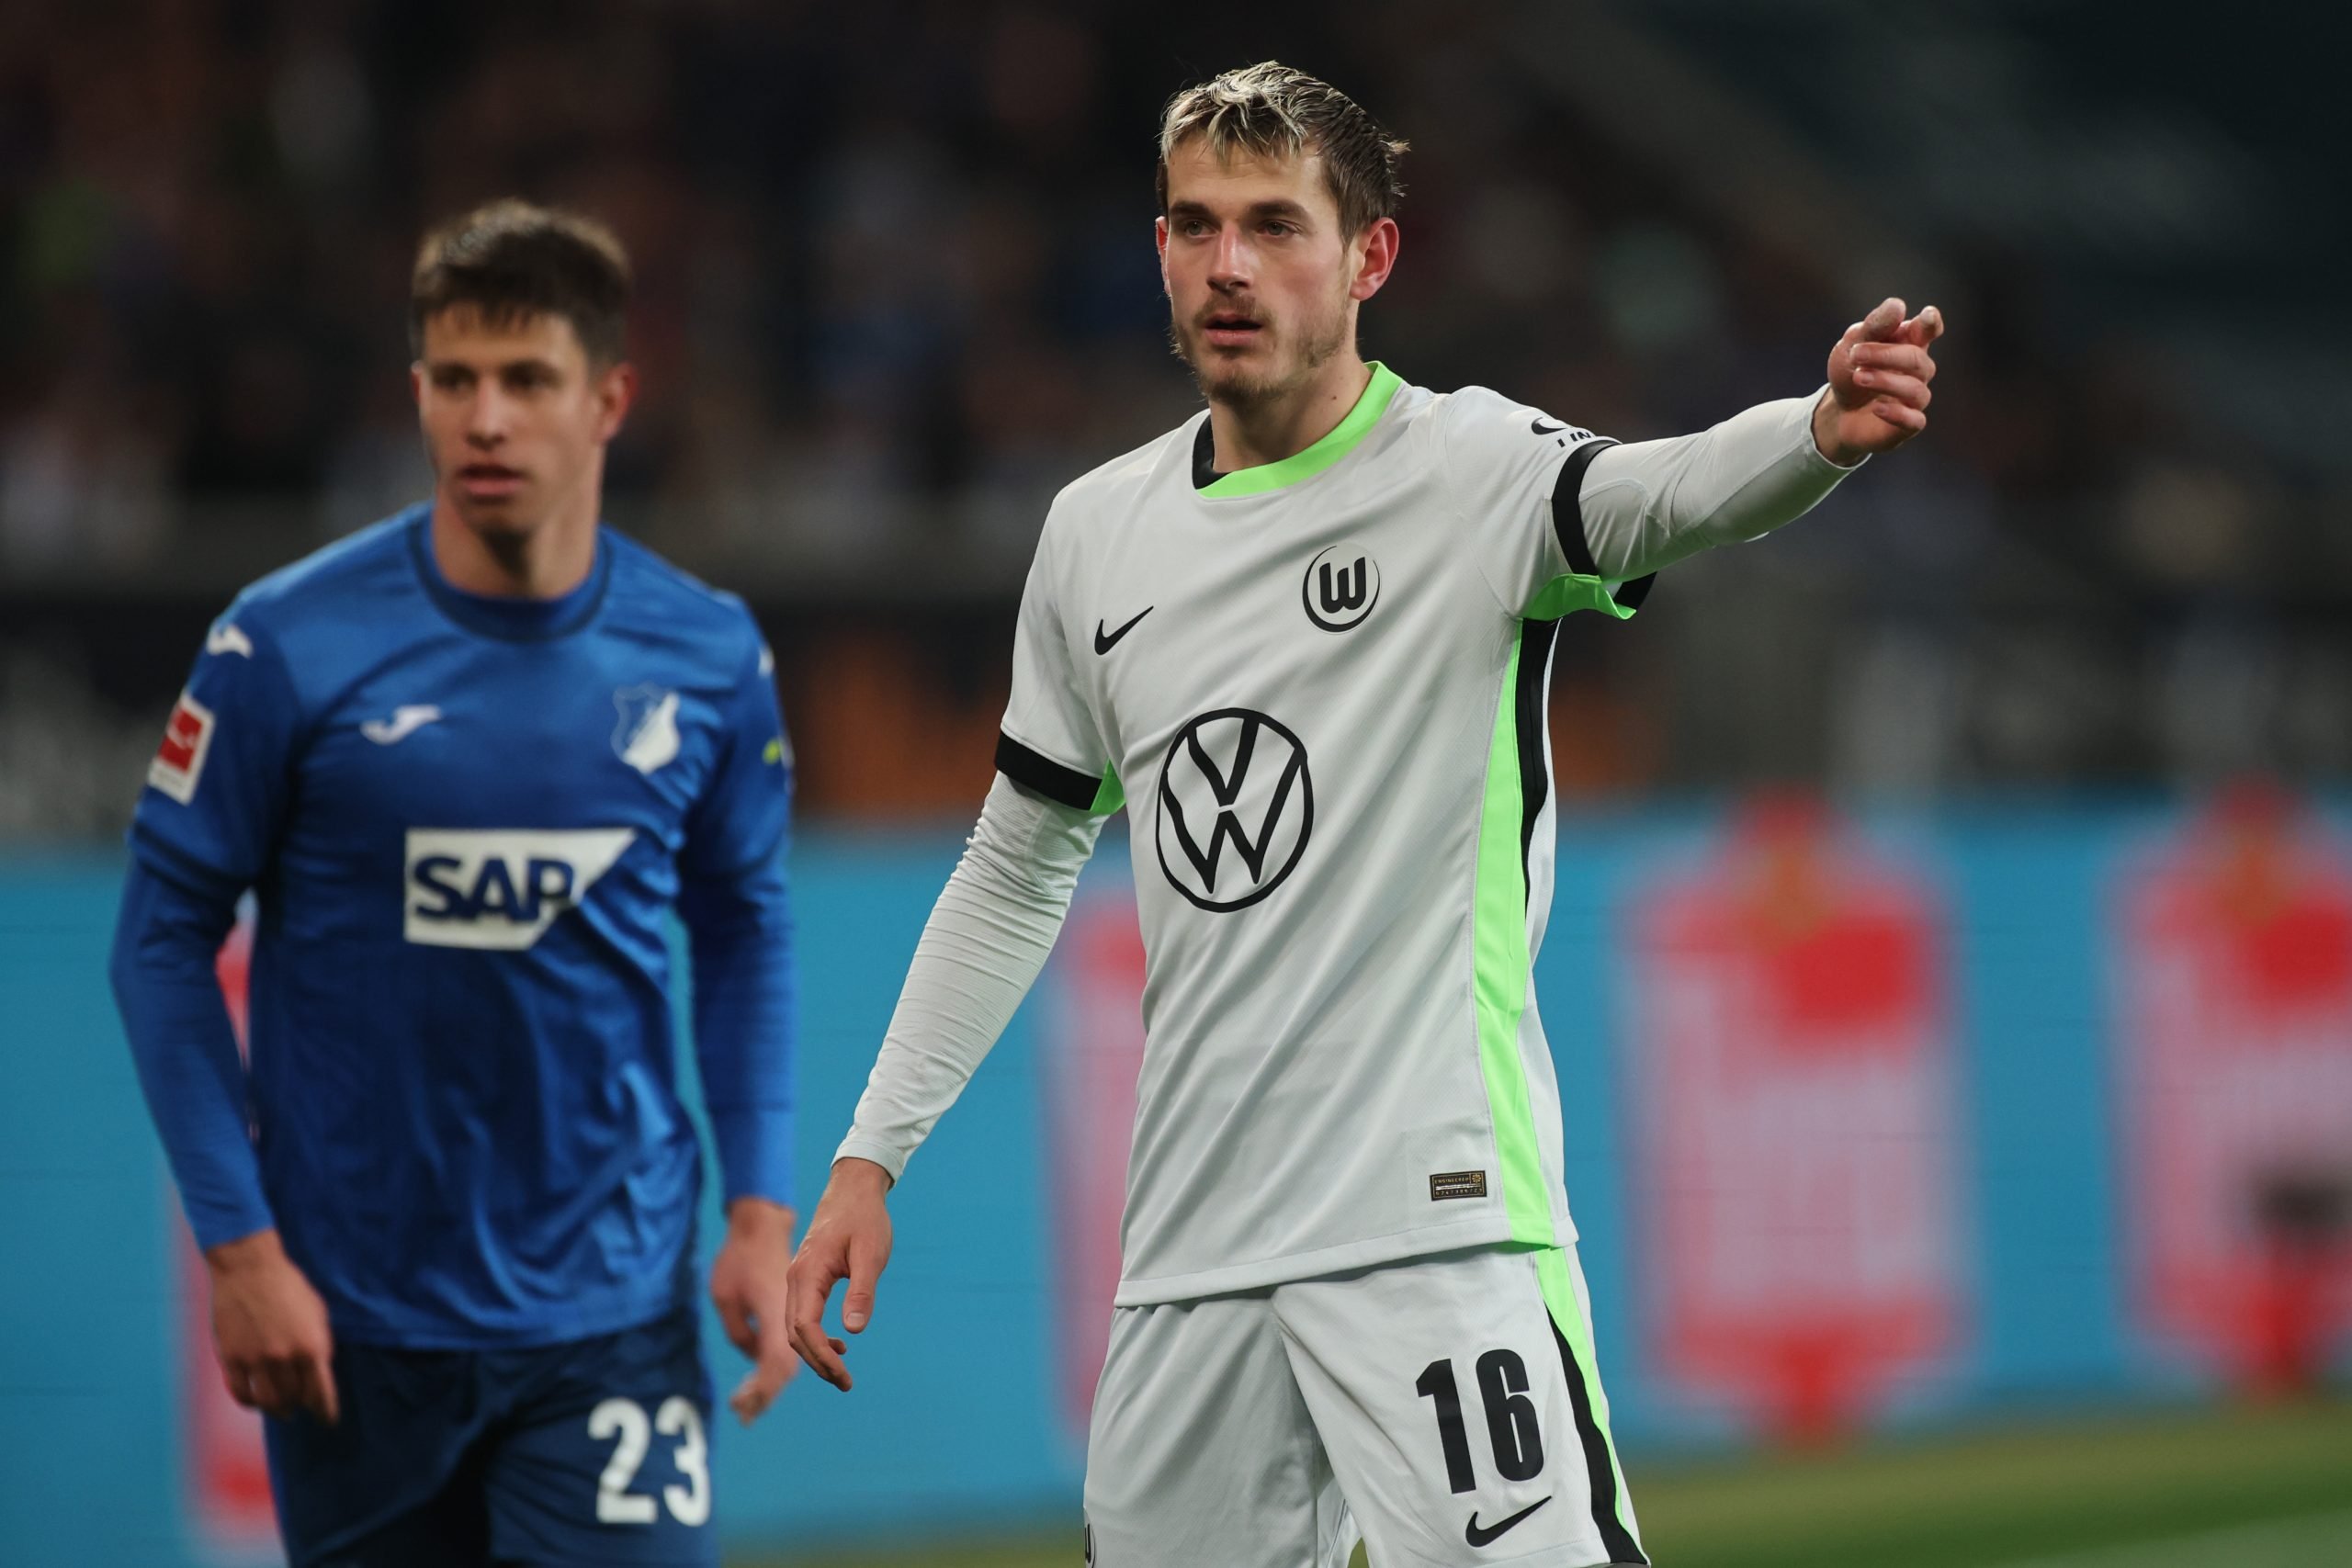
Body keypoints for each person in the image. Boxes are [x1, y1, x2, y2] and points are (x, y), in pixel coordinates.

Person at [786, 61, 1945, 1568]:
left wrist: (1815, 431)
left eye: (1276, 226)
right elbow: (1015, 868)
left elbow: (1659, 496)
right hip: (1192, 1254)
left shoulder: (1469, 469)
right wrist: (869, 1158)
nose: (1230, 265)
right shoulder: (1095, 535)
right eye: (1196, 225)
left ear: (1369, 257)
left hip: (1434, 1227)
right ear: (1158, 249)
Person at [109, 200, 799, 1568]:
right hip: (352, 1321)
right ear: (417, 391)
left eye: (527, 379)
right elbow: (159, 940)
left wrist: (759, 1210)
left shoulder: (708, 656)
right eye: (455, 379)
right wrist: (239, 1253)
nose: (487, 420)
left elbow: (744, 926)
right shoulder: (283, 647)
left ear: (609, 400)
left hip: (611, 1313)